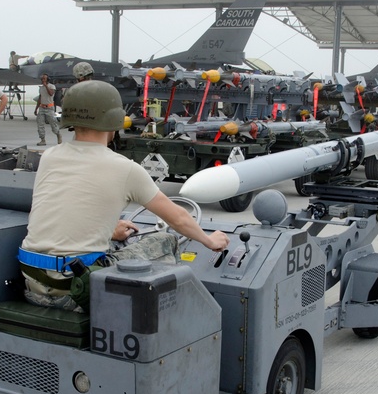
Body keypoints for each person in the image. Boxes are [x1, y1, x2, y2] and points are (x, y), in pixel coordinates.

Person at [18, 80, 230, 312]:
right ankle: (173, 316)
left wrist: (109, 231)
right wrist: (210, 241)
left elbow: (68, 212)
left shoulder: (49, 156)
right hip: (77, 292)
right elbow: (178, 219)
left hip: (32, 284)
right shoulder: (125, 169)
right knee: (165, 240)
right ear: (114, 120)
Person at [35, 73, 61, 146]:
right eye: (42, 79)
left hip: (49, 108)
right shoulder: (41, 88)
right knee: (40, 124)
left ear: (48, 80)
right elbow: (40, 98)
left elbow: (50, 94)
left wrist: (46, 86)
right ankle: (42, 140)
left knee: (53, 123)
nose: (43, 80)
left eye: (44, 79)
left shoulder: (52, 86)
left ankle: (58, 134)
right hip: (42, 108)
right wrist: (36, 108)